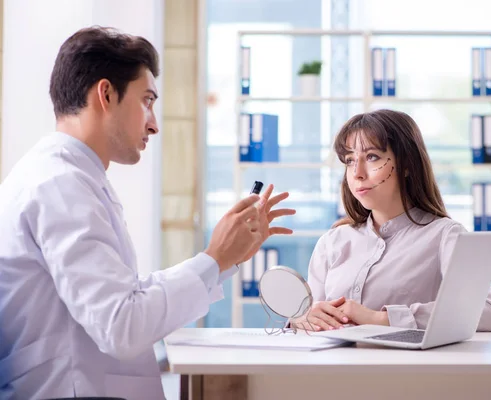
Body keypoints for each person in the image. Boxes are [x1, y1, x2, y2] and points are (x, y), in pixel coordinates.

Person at [0, 26, 294, 400]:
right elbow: (121, 326)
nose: (154, 123)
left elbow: (128, 297)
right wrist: (214, 257)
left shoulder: (65, 176)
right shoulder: (60, 185)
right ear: (106, 94)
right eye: (147, 100)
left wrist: (221, 260)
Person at [290, 109, 491, 332]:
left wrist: (378, 318)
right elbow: (310, 319)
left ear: (407, 164)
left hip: (408, 367)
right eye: (350, 160)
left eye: (372, 157)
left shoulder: (445, 235)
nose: (357, 173)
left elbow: (485, 313)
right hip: (332, 366)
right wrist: (302, 318)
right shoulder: (333, 241)